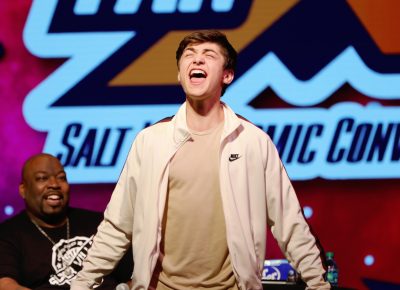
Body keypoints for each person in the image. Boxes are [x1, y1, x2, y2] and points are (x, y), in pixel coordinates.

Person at [71, 30, 330, 290]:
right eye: (189, 55)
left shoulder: (252, 141)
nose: (196, 61)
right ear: (180, 73)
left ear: (227, 75)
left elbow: (289, 222)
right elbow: (118, 224)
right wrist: (82, 284)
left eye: (209, 55)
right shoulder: (151, 141)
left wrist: (318, 284)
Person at [0, 153, 133, 290]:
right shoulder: (8, 234)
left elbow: (134, 276)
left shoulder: (100, 223)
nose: (54, 184)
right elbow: (5, 284)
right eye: (42, 178)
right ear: (23, 190)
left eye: (61, 178)